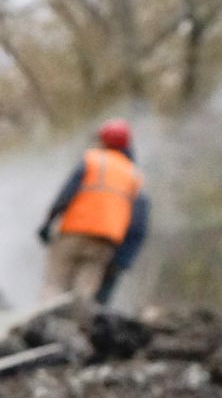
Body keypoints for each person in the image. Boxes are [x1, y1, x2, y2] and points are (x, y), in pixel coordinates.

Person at [39, 119, 150, 302]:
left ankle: (43, 325)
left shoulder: (92, 160)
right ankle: (78, 326)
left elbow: (66, 195)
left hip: (73, 232)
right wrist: (124, 257)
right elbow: (137, 220)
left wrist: (47, 224)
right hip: (105, 241)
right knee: (85, 293)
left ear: (103, 140)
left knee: (55, 284)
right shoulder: (134, 175)